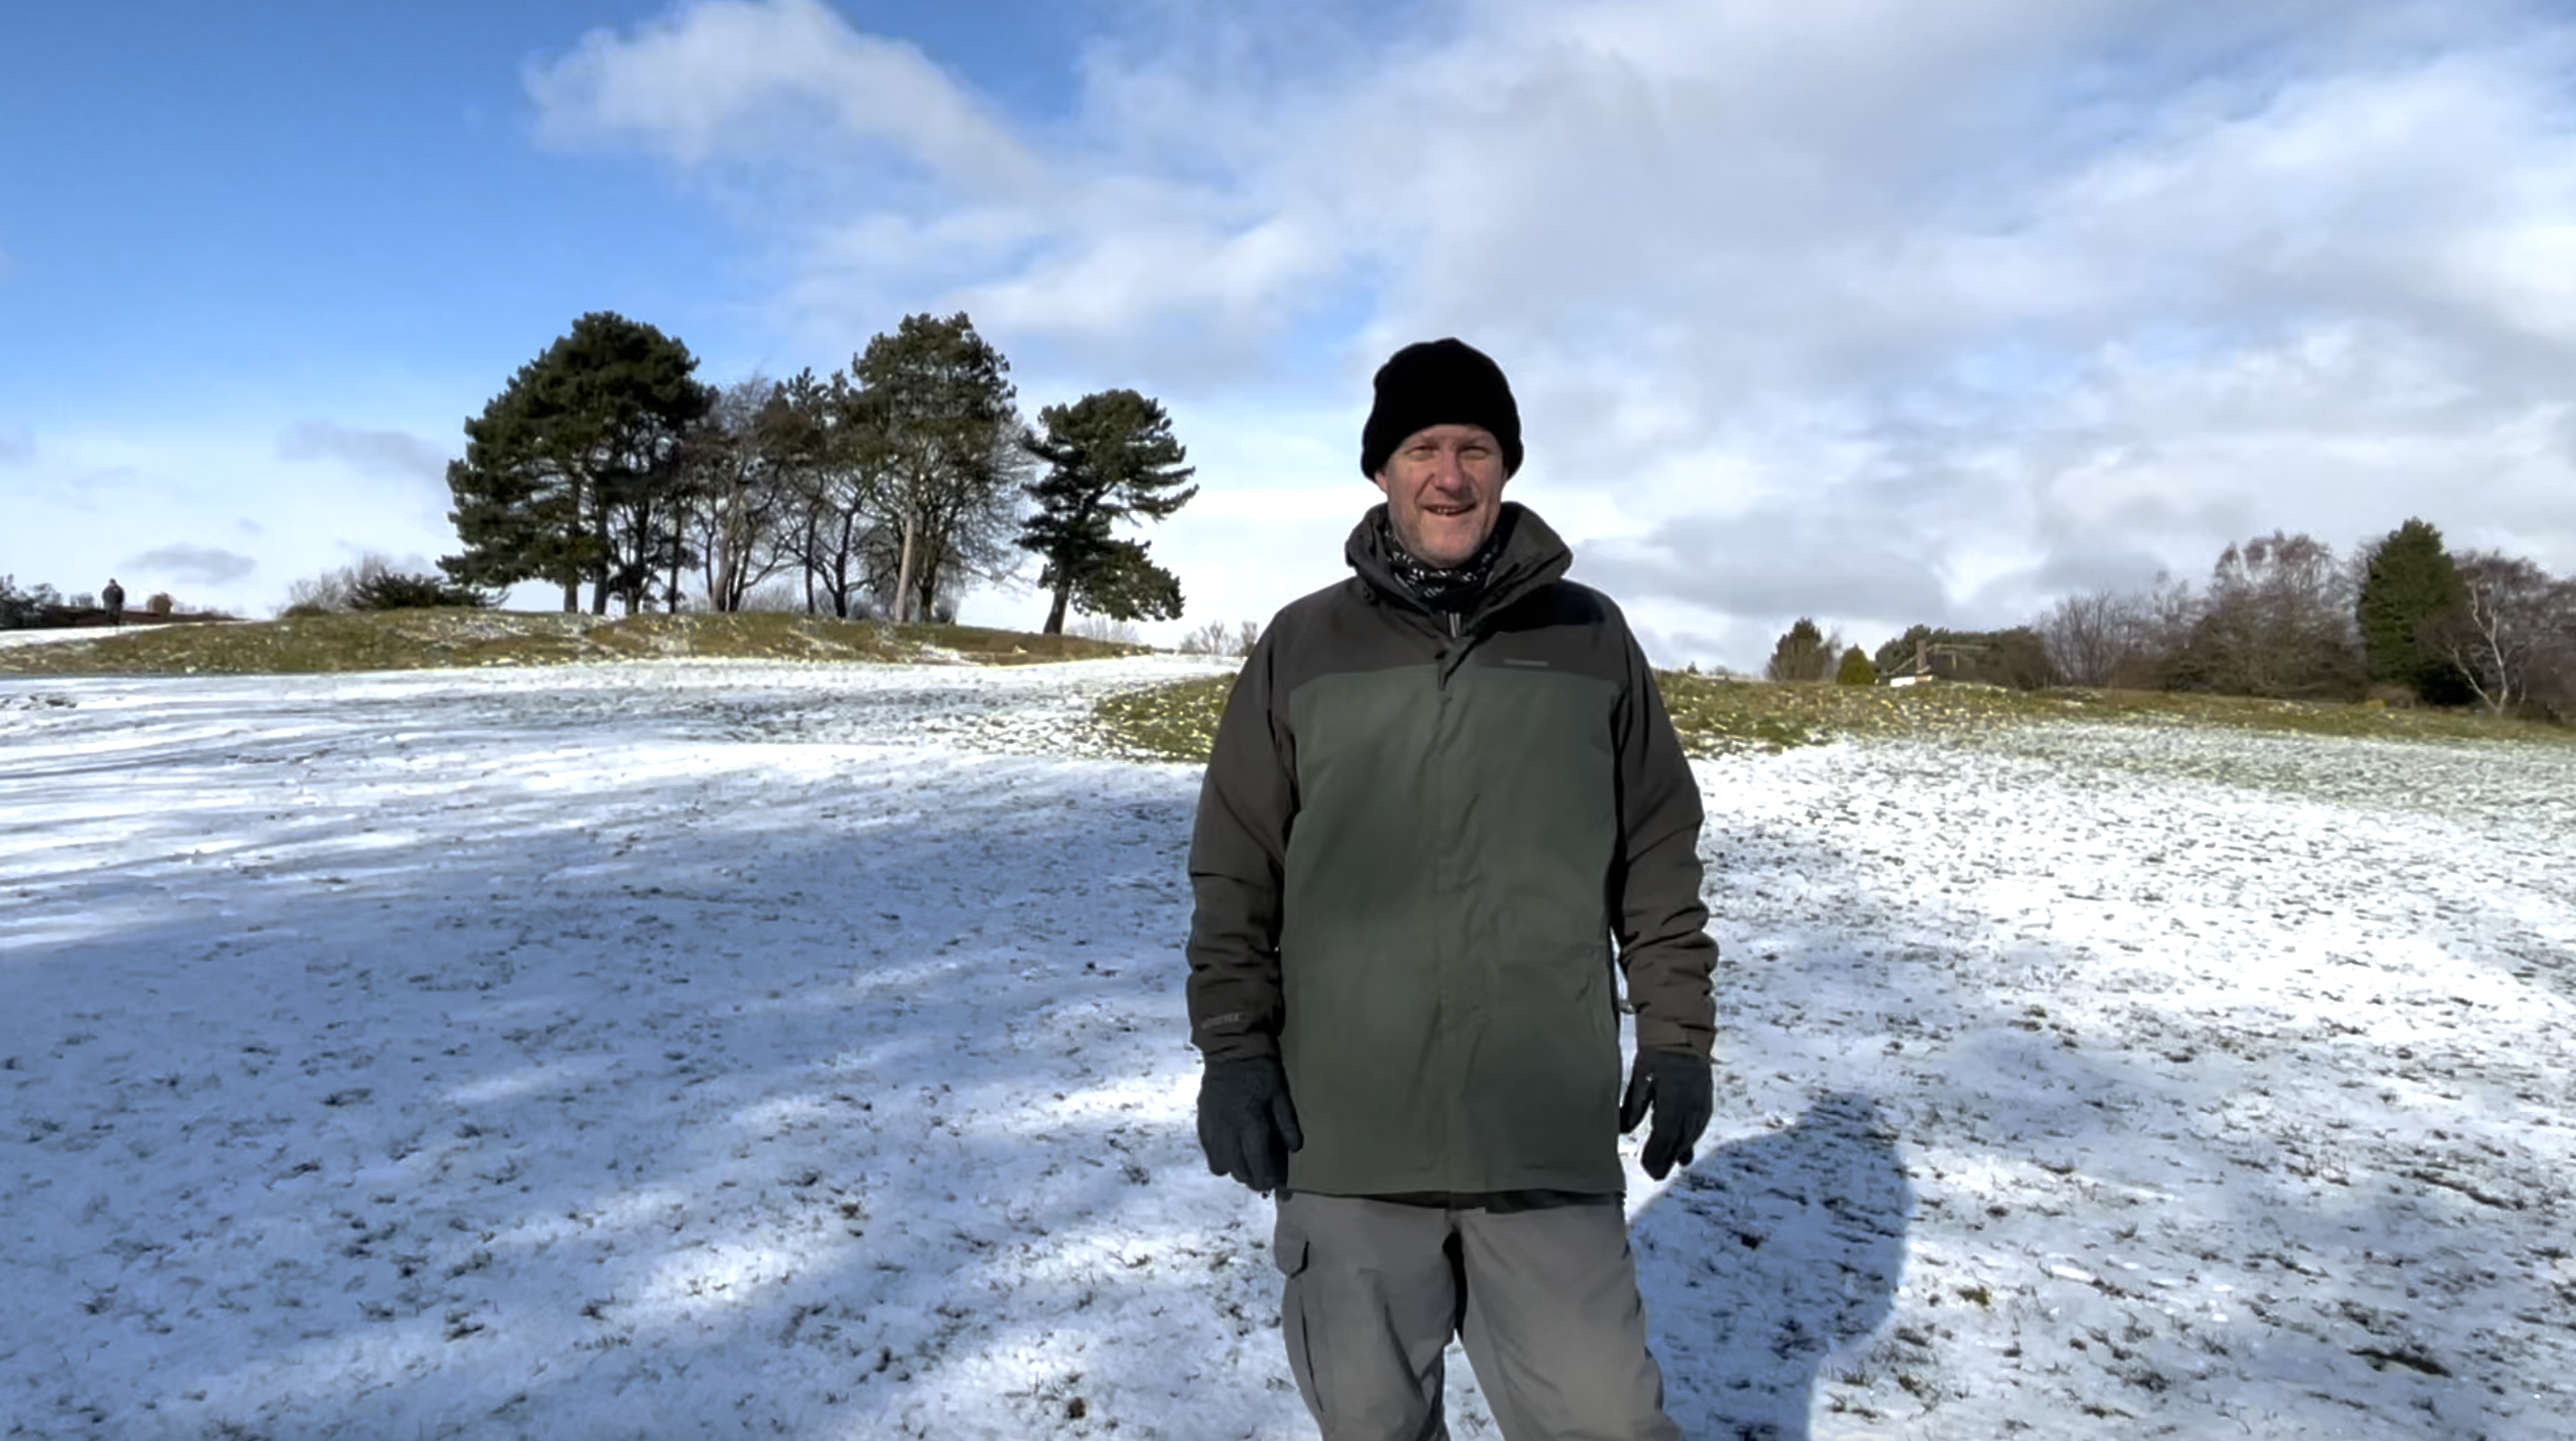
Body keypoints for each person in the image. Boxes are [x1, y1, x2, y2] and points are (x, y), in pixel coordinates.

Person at [1186, 338, 1718, 1440]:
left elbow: (1657, 853)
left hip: (1542, 1132)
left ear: (1507, 466)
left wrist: (1676, 1037)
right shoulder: (1302, 646)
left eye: (1475, 447)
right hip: (1346, 1137)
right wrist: (1236, 1052)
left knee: (1609, 1422)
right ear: (1381, 469)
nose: (1450, 473)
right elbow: (1238, 867)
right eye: (1423, 446)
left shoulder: (1590, 638)